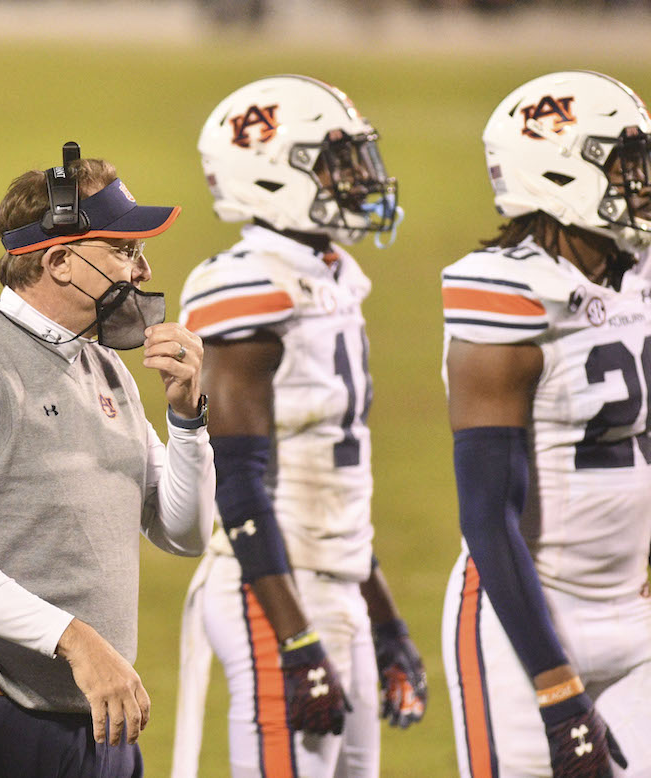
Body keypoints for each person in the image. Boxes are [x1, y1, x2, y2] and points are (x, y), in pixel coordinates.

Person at [0, 145, 216, 778]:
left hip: (98, 716)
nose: (142, 270)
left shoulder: (104, 366)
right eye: (123, 249)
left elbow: (186, 532)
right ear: (60, 261)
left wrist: (187, 417)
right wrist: (76, 640)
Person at [171, 76, 427, 778]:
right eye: (333, 162)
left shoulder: (332, 275)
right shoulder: (249, 283)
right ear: (272, 174)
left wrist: (385, 616)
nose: (356, 179)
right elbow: (243, 482)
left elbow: (330, 480)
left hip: (334, 580)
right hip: (273, 590)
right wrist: (296, 638)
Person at [441, 70, 651, 777]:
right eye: (624, 166)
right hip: (523, 618)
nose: (641, 181)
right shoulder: (506, 292)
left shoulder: (640, 273)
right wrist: (558, 696)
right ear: (561, 174)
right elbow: (486, 511)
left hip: (636, 612)